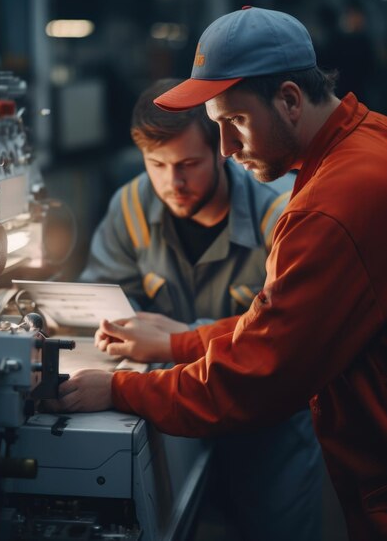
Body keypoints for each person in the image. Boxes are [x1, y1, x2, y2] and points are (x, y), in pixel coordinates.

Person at [46, 6, 387, 541]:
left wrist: (121, 391)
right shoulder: (367, 146)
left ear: (291, 100)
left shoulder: (326, 209)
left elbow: (261, 372)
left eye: (235, 123)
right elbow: (280, 327)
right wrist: (182, 345)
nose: (227, 149)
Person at [79, 78, 323, 541]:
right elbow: (98, 301)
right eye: (157, 164)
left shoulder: (284, 212)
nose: (174, 182)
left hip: (266, 433)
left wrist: (175, 340)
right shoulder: (130, 207)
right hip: (174, 418)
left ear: (220, 150)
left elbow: (284, 347)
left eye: (189, 163)